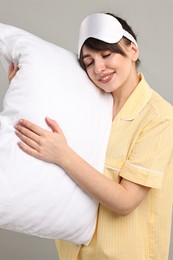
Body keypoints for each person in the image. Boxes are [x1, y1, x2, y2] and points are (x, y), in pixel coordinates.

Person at [10, 12, 173, 260]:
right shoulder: (88, 102)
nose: (98, 68)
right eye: (88, 61)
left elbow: (126, 201)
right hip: (75, 254)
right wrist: (23, 85)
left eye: (107, 55)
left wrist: (63, 155)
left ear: (133, 51)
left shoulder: (159, 117)